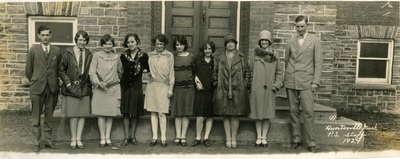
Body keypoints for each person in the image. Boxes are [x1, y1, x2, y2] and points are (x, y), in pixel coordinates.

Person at [284, 15, 322, 152]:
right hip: (291, 80)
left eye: (302, 26)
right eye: (297, 26)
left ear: (307, 25)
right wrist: (288, 75)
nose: (300, 29)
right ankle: (296, 138)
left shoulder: (314, 40)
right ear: (295, 26)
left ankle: (311, 142)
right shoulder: (291, 41)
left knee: (308, 112)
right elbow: (287, 60)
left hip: (307, 81)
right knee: (293, 111)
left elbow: (318, 62)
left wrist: (315, 82)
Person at [25, 25, 61, 152]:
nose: (45, 37)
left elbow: (58, 69)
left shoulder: (56, 50)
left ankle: (48, 141)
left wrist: (54, 83)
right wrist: (36, 80)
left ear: (50, 36)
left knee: (49, 116)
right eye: (43, 35)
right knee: (35, 117)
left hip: (52, 88)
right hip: (37, 88)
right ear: (39, 36)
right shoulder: (33, 49)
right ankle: (36, 142)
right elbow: (28, 70)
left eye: (47, 35)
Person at [213, 33, 250, 149]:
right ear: (225, 45)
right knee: (225, 115)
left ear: (235, 44)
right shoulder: (219, 57)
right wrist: (216, 83)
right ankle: (227, 138)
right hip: (223, 89)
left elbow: (247, 72)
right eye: (228, 43)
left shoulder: (241, 57)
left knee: (235, 115)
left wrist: (245, 84)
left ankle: (234, 138)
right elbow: (214, 72)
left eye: (232, 42)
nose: (230, 44)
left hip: (238, 90)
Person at [59, 30, 93, 149]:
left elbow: (91, 70)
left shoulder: (89, 53)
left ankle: (79, 138)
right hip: (71, 87)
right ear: (76, 40)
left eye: (84, 40)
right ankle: (73, 139)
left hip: (84, 87)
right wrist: (68, 84)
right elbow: (61, 70)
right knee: (73, 114)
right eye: (80, 40)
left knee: (82, 114)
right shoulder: (68, 52)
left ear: (86, 41)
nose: (82, 42)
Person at [248, 30, 283, 147]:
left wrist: (276, 85)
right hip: (257, 89)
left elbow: (279, 73)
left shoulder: (275, 56)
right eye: (262, 40)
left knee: (267, 114)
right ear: (259, 41)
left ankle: (264, 137)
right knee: (258, 114)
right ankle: (258, 136)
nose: (264, 42)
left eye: (266, 40)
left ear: (269, 42)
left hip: (269, 89)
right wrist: (250, 86)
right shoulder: (255, 55)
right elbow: (250, 72)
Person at [89, 34, 122, 147]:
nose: (108, 46)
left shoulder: (117, 57)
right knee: (101, 114)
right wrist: (99, 83)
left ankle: (108, 137)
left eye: (110, 43)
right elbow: (92, 72)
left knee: (110, 114)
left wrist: (113, 82)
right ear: (102, 44)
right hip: (100, 88)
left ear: (112, 45)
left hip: (112, 88)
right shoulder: (97, 56)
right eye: (105, 43)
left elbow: (120, 72)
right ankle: (102, 137)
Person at [144, 34, 174, 147]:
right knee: (153, 112)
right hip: (152, 85)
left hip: (164, 86)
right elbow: (145, 69)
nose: (159, 46)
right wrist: (148, 75)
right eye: (157, 44)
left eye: (161, 44)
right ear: (154, 44)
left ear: (164, 44)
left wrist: (171, 87)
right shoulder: (149, 55)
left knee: (162, 112)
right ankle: (154, 137)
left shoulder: (169, 55)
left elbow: (171, 72)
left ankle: (163, 138)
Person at [119, 33, 149, 146]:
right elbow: (120, 71)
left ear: (137, 42)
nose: (130, 44)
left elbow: (148, 70)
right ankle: (127, 137)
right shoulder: (123, 56)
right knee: (126, 113)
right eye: (128, 42)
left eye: (132, 41)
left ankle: (133, 136)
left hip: (137, 87)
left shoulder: (143, 56)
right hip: (126, 87)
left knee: (135, 113)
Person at [170, 35, 195, 147]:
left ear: (185, 45)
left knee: (186, 112)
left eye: (181, 44)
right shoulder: (173, 57)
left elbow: (195, 72)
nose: (179, 47)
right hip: (177, 88)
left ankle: (183, 136)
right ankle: (178, 136)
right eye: (177, 45)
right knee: (178, 112)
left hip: (189, 88)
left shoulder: (191, 57)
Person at [191, 41, 216, 147]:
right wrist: (196, 81)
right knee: (200, 116)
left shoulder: (215, 61)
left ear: (212, 50)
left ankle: (206, 138)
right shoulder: (198, 61)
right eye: (206, 49)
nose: (207, 51)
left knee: (209, 115)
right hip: (200, 90)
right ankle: (198, 137)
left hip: (212, 90)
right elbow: (193, 73)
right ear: (203, 50)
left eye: (210, 49)